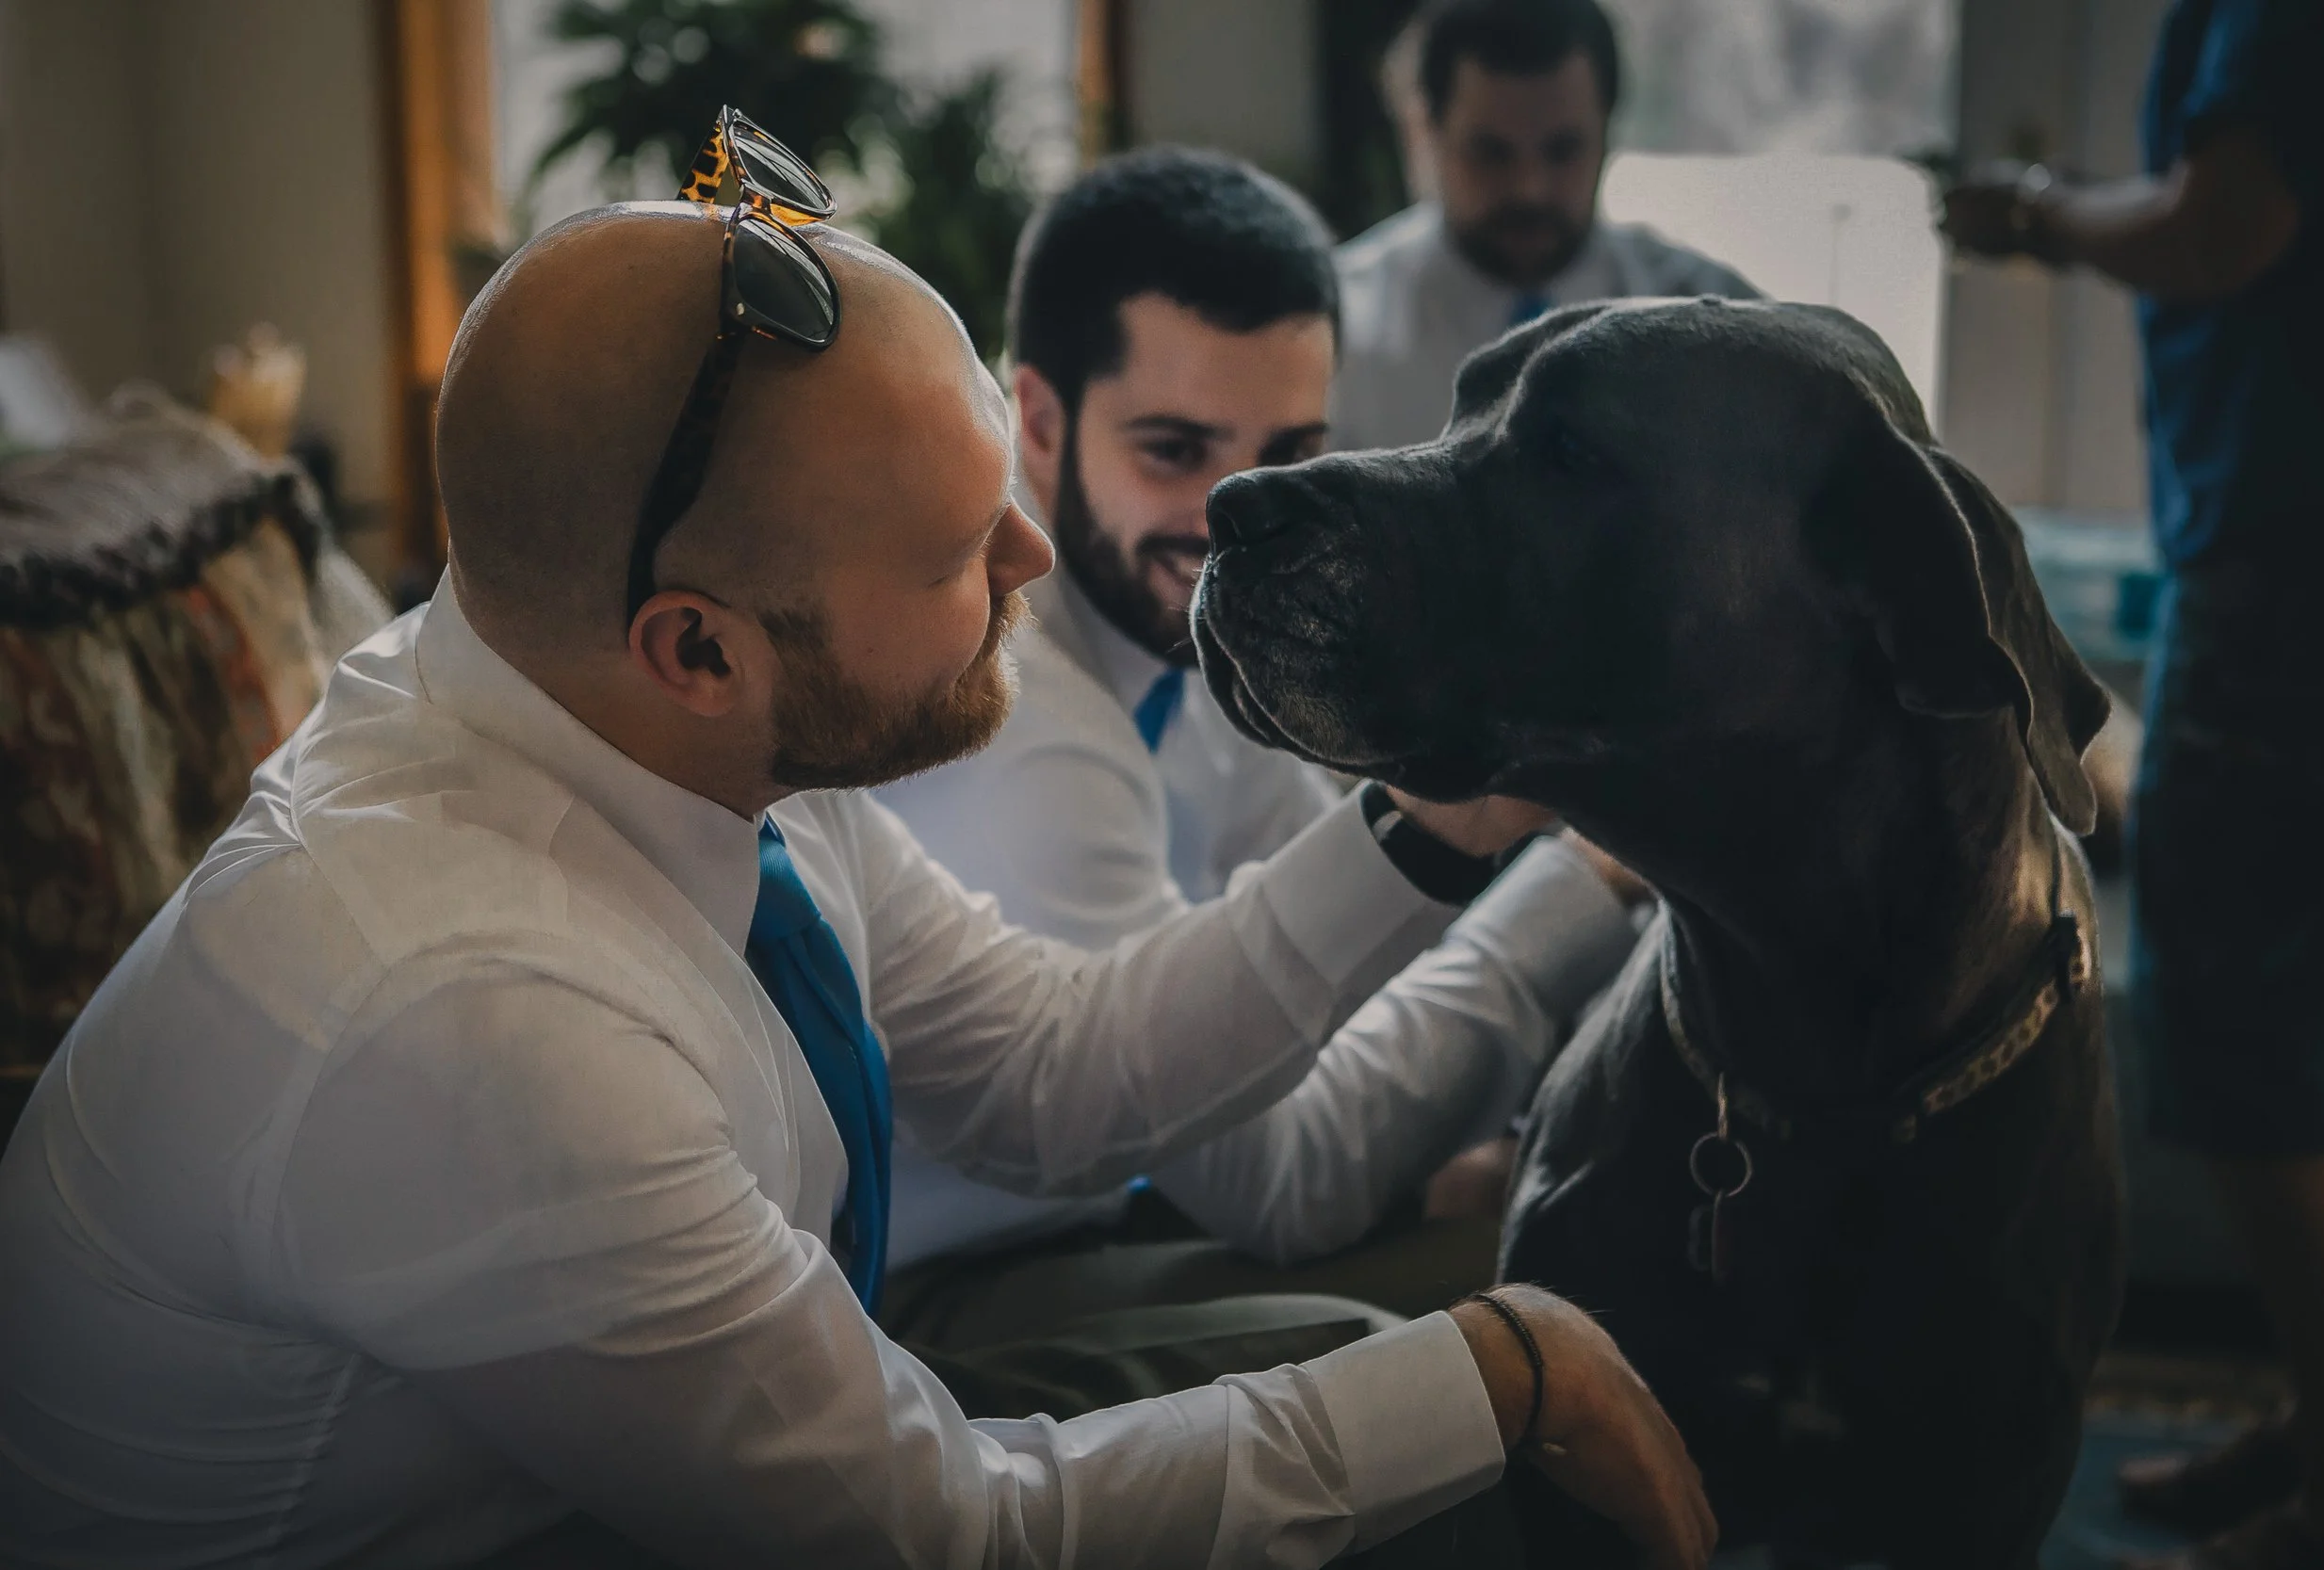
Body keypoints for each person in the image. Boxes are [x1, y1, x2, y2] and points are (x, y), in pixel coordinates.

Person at [0, 182, 1715, 1566]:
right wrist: (1496, 1372)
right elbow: (937, 1532)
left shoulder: (652, 720)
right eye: (965, 550)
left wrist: (1428, 812)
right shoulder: (471, 1011)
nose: (1036, 557)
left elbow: (1064, 1075)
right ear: (698, 648)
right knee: (1442, 1449)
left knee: (1377, 1386)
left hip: (634, 1461)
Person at [872, 147, 1641, 1345]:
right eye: (1174, 450)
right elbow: (1291, 1179)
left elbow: (1347, 986)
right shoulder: (1015, 714)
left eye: (1285, 456)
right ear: (1037, 418)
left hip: (1131, 1226)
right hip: (947, 1303)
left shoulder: (1193, 641)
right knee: (1572, 1272)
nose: (1237, 521)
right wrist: (1583, 882)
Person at [1943, 4, 2324, 1566]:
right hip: (2304, 556)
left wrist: (2035, 218)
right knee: (2321, 1022)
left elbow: (2230, 221)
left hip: (2302, 569)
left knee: (2243, 1030)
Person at [1328, 0, 1756, 454]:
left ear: (1607, 131)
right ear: (1430, 132)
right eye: (1491, 153)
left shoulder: (1714, 328)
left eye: (1563, 150)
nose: (1530, 190)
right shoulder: (1334, 335)